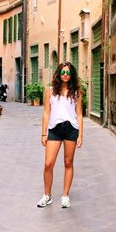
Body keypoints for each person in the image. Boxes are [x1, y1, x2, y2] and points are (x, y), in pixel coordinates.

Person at [37, 61, 83, 209]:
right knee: (48, 163)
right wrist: (43, 133)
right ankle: (47, 196)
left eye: (68, 73)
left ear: (71, 75)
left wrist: (80, 135)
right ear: (58, 74)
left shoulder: (76, 91)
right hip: (54, 129)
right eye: (63, 72)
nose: (65, 75)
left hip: (71, 129)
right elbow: (46, 113)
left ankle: (65, 195)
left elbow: (79, 115)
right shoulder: (50, 91)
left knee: (68, 163)